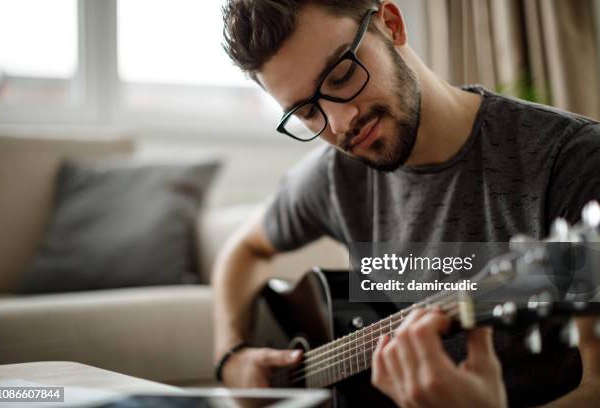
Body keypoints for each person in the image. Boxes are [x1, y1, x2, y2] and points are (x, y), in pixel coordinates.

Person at [212, 0, 600, 406]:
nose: (340, 122)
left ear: (392, 25)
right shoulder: (334, 175)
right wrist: (230, 357)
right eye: (307, 112)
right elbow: (245, 249)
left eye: (343, 75)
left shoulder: (570, 160)